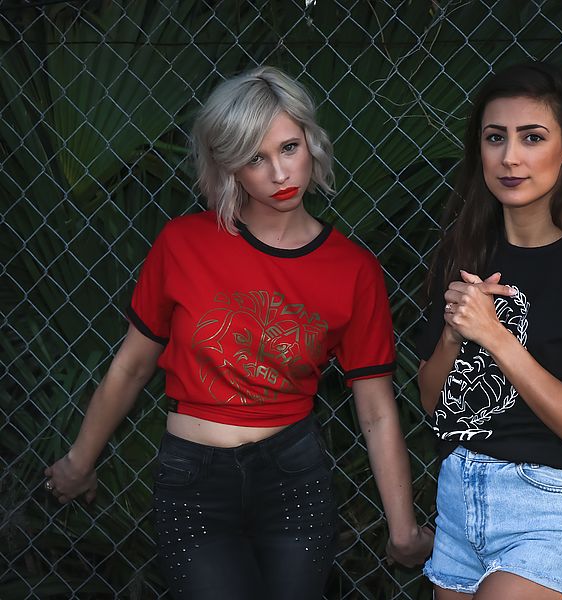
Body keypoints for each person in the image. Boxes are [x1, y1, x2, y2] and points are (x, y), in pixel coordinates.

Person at [43, 65, 433, 600]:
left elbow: (376, 408)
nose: (279, 172)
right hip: (193, 481)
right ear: (229, 168)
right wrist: (78, 463)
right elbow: (132, 365)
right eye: (255, 157)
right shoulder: (184, 243)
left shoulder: (353, 269)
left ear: (312, 144)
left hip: (293, 477)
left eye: (289, 147)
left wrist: (403, 528)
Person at [415, 61, 562, 600]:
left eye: (532, 137)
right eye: (495, 138)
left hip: (550, 509)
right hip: (458, 507)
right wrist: (454, 335)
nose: (510, 157)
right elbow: (432, 405)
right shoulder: (467, 254)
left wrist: (496, 337)